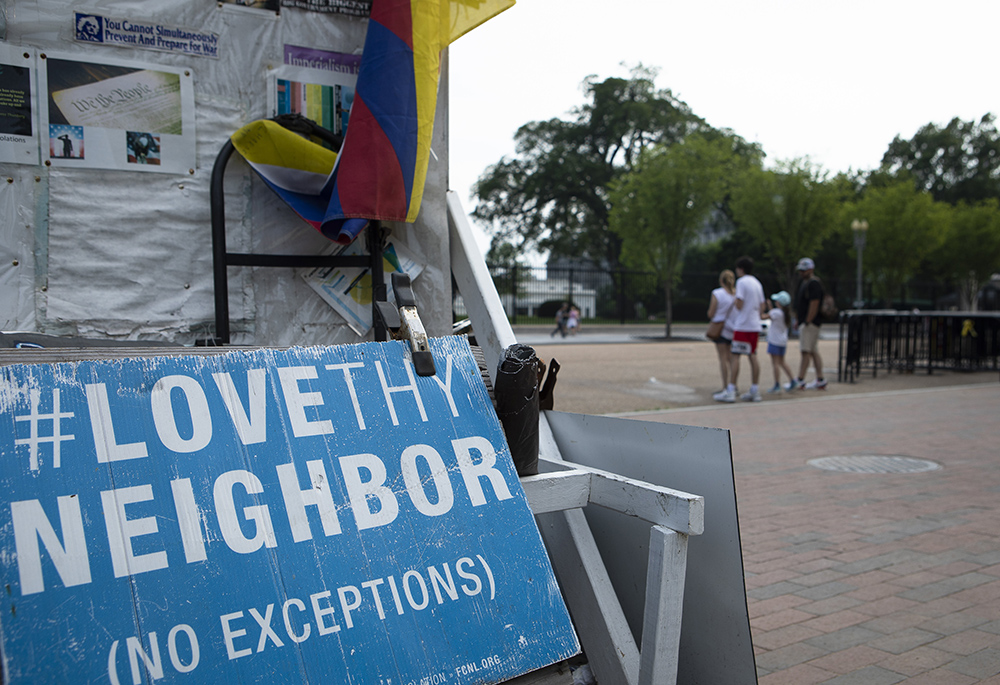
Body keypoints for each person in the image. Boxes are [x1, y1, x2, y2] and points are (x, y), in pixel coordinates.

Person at [717, 256, 766, 402]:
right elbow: (762, 304)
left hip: (743, 325)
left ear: (741, 269)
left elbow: (739, 304)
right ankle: (755, 389)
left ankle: (731, 390)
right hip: (754, 325)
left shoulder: (742, 282)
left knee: (736, 356)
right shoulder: (757, 283)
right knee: (753, 356)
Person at [792, 257, 827, 389]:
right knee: (813, 351)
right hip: (807, 321)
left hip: (810, 323)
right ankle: (820, 378)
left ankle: (800, 379)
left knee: (805, 351)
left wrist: (807, 320)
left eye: (804, 270)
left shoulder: (813, 284)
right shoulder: (806, 283)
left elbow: (814, 303)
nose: (802, 273)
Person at [708, 270, 736, 398]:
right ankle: (733, 385)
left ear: (721, 281)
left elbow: (711, 313)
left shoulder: (717, 293)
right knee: (732, 359)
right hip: (733, 328)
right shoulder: (736, 294)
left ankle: (725, 386)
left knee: (723, 359)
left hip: (721, 329)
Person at [762, 291, 797, 393]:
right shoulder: (784, 314)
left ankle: (777, 384)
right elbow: (773, 314)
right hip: (782, 341)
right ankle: (792, 380)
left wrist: (762, 308)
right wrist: (770, 307)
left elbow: (763, 316)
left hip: (774, 341)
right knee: (782, 362)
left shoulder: (776, 313)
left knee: (775, 364)